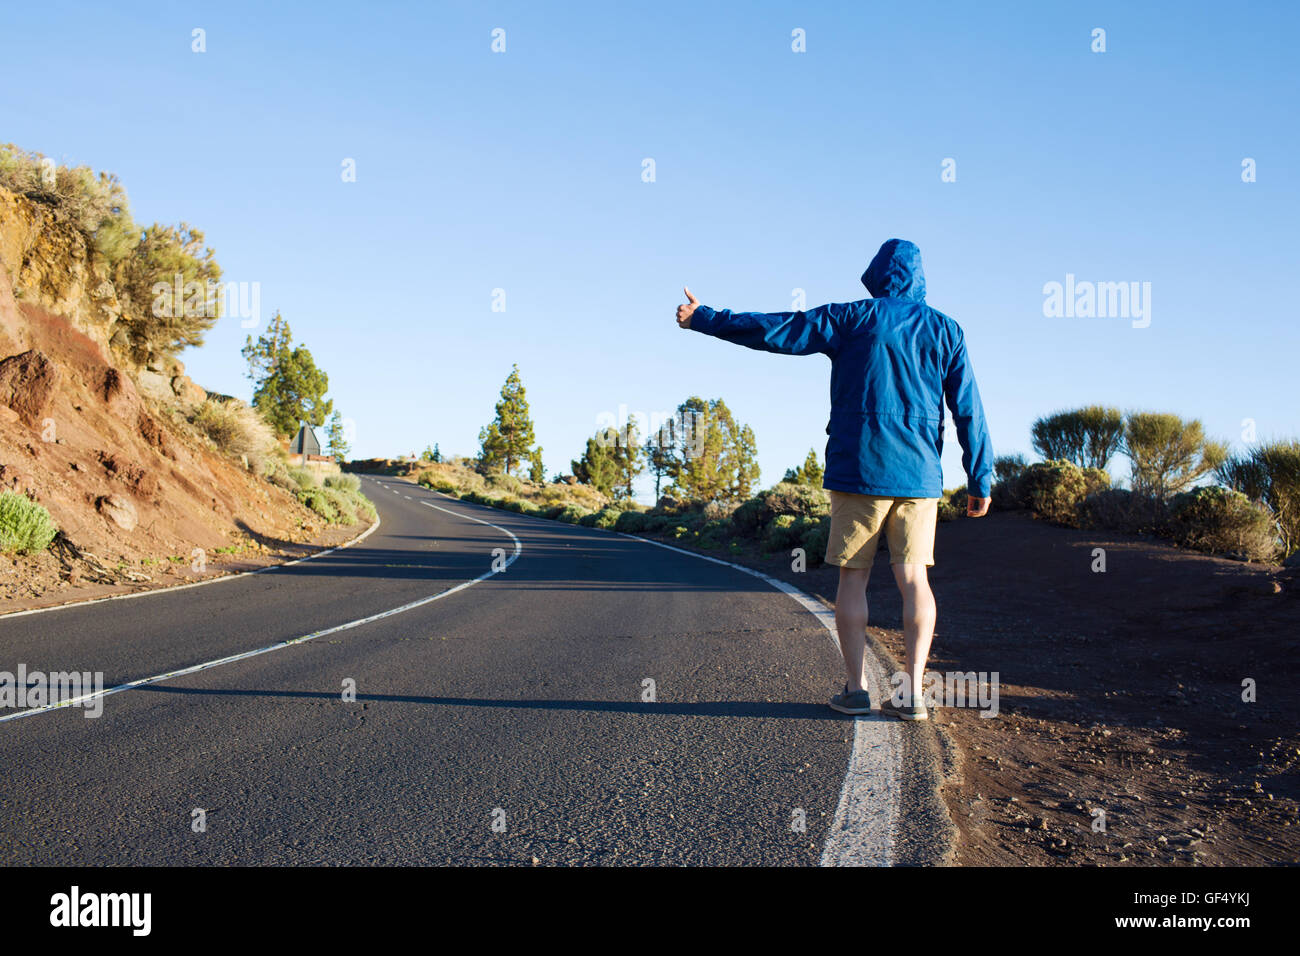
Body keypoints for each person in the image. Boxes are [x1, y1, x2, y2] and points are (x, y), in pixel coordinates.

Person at [675, 238, 993, 720]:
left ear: (876, 274)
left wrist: (705, 318)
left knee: (853, 579)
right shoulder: (946, 330)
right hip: (919, 477)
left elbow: (779, 329)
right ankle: (911, 696)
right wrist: (980, 478)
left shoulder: (852, 318)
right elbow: (968, 407)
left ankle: (856, 689)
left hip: (858, 469)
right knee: (914, 580)